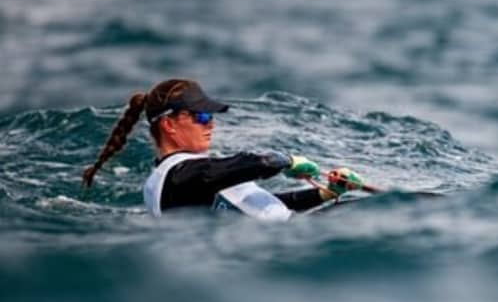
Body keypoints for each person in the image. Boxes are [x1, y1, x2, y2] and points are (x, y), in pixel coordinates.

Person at [81, 79, 367, 220]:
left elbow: (259, 204)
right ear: (169, 124)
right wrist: (287, 161)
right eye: (201, 116)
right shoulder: (179, 176)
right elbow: (256, 163)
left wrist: (325, 193)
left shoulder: (185, 177)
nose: (210, 123)